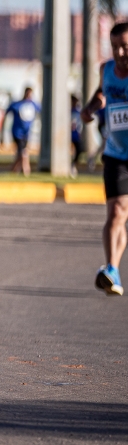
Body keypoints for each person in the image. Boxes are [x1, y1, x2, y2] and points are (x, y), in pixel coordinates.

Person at [82, 22, 128, 296]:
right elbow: (101, 93)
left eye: (125, 47)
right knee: (117, 212)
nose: (120, 52)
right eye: (115, 47)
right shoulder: (106, 70)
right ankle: (112, 269)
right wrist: (90, 108)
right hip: (116, 154)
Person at [2, 87, 39, 176]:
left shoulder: (33, 105)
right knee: (23, 153)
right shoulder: (17, 104)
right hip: (17, 132)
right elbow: (6, 113)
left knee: (20, 154)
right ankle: (27, 172)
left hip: (27, 133)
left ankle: (14, 171)